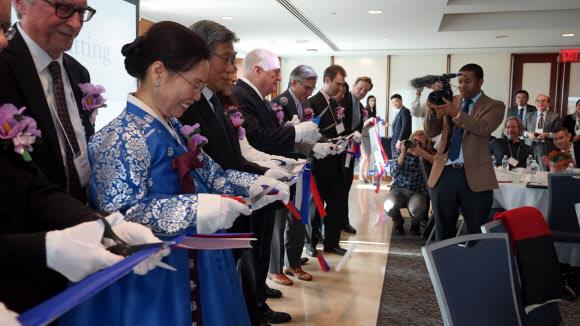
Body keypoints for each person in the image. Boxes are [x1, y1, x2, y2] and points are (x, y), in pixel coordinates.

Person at [60, 21, 289, 326]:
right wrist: (199, 208)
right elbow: (120, 217)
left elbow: (214, 175)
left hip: (193, 265)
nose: (197, 96)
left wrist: (257, 185)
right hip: (151, 282)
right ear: (158, 73)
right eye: (195, 84)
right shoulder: (122, 136)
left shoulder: (175, 129)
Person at [179, 20, 287, 325]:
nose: (231, 69)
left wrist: (264, 174)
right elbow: (211, 167)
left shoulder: (216, 104)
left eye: (233, 59)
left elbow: (232, 158)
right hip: (209, 219)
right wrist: (257, 177)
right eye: (226, 59)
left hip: (231, 210)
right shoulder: (189, 107)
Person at [1, 0, 97, 202]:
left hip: (83, 214)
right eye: (64, 9)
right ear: (21, 4)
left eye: (81, 13)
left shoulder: (79, 73)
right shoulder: (4, 63)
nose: (76, 24)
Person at [425, 63, 505, 241]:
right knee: (443, 230)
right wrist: (431, 108)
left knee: (476, 231)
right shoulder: (451, 100)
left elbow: (482, 127)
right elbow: (431, 132)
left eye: (467, 81)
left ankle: (473, 267)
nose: (462, 86)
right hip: (444, 172)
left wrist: (455, 112)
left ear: (481, 82)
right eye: (459, 81)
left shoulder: (495, 106)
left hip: (475, 175)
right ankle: (444, 266)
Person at [308, 64, 349, 256]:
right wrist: (328, 141)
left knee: (336, 204)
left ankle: (332, 242)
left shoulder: (336, 104)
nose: (341, 88)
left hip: (338, 161)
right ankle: (312, 243)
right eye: (338, 84)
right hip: (321, 162)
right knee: (316, 206)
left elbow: (339, 128)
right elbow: (311, 132)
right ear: (327, 80)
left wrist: (347, 138)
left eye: (342, 85)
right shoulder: (312, 103)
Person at [384, 130, 434, 235]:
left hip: (417, 192)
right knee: (389, 206)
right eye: (413, 141)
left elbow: (437, 163)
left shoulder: (427, 154)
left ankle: (415, 225)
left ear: (425, 146)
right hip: (398, 190)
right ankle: (398, 223)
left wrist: (422, 153)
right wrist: (403, 153)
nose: (415, 144)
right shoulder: (401, 152)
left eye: (420, 143)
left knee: (418, 210)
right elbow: (393, 173)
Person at [341, 76, 373, 235]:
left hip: (351, 151)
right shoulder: (342, 101)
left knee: (346, 187)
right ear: (354, 85)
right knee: (334, 191)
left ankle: (343, 221)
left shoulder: (360, 107)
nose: (362, 92)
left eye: (365, 90)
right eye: (360, 88)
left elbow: (358, 127)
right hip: (337, 151)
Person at [522, 94, 562, 171]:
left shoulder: (555, 116)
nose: (540, 103)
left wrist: (548, 134)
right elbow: (521, 131)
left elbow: (559, 134)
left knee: (544, 170)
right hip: (530, 145)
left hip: (546, 146)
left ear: (548, 103)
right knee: (528, 169)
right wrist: (528, 134)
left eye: (543, 101)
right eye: (538, 101)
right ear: (535, 103)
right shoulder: (528, 115)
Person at [359, 95, 376, 183]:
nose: (373, 102)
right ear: (368, 102)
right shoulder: (365, 111)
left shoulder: (373, 112)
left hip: (367, 135)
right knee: (365, 157)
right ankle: (360, 175)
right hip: (362, 135)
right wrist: (370, 120)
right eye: (371, 101)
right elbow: (362, 125)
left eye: (374, 101)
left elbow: (371, 125)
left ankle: (366, 176)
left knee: (368, 156)